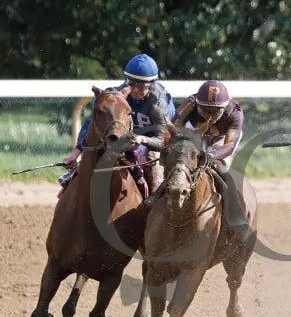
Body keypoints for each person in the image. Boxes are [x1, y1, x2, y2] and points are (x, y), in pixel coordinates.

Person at [59, 53, 175, 195]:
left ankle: (155, 201)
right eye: (132, 84)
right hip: (127, 140)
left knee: (151, 159)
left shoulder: (160, 104)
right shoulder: (120, 93)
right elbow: (92, 122)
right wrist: (76, 153)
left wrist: (142, 140)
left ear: (152, 84)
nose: (135, 90)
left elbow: (163, 140)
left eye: (141, 86)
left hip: (154, 144)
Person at [165, 79, 250, 238]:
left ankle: (237, 219)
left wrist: (212, 156)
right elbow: (173, 129)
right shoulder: (189, 105)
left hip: (221, 142)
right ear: (197, 104)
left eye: (216, 111)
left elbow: (230, 145)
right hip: (193, 136)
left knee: (224, 172)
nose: (211, 116)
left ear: (224, 108)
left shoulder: (235, 113)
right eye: (205, 111)